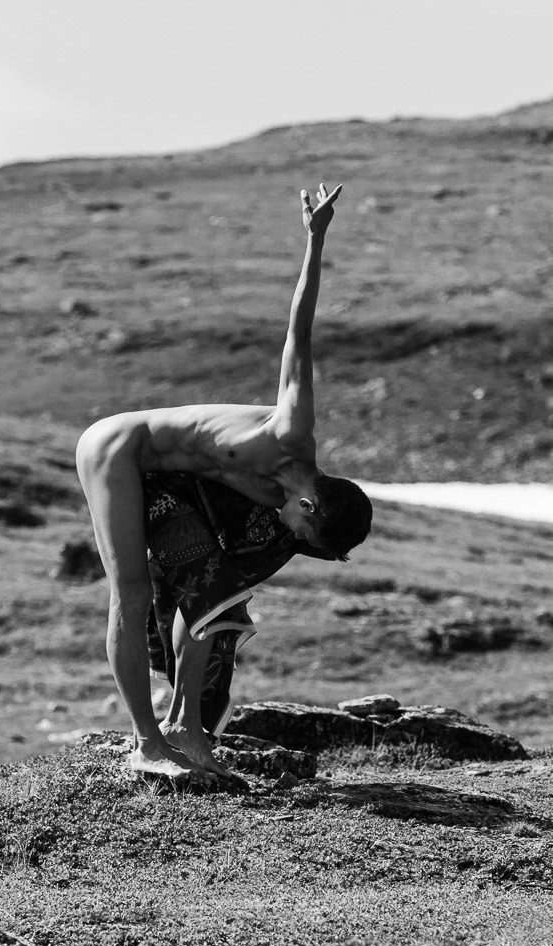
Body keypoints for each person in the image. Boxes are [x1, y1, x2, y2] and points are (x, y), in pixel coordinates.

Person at [76, 181, 372, 779]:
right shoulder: (291, 434)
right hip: (119, 449)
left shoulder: (277, 503)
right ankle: (146, 744)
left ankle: (186, 727)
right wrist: (315, 241)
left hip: (165, 482)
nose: (295, 542)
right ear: (311, 505)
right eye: (306, 536)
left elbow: (211, 598)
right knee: (131, 594)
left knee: (214, 593)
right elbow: (299, 336)